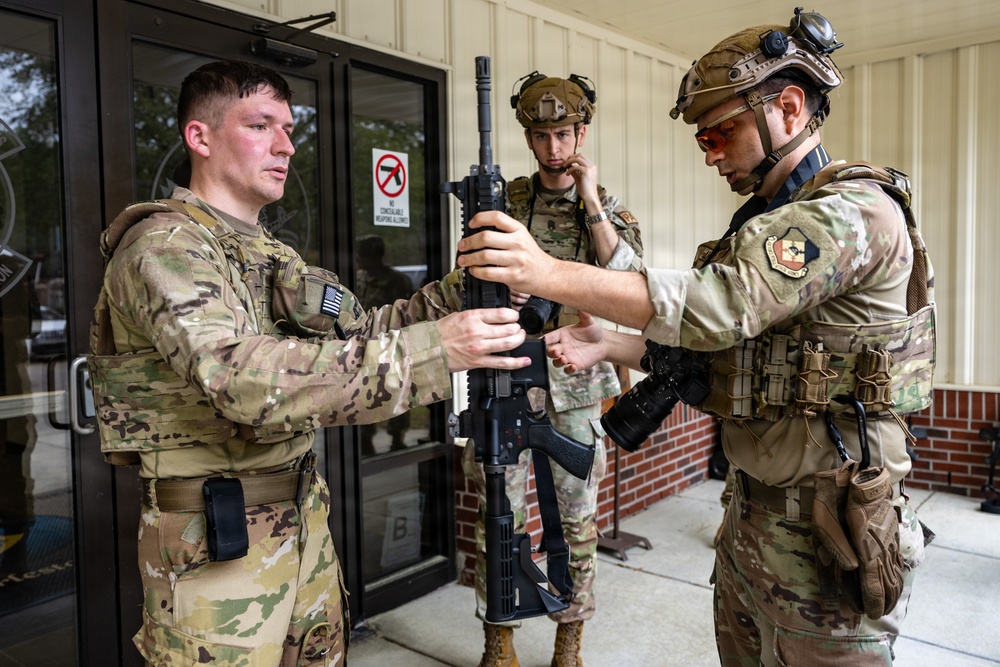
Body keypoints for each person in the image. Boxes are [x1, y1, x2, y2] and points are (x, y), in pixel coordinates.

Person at [457, 9, 936, 666]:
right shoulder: (767, 223)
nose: (709, 151)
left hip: (830, 530)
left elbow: (714, 306)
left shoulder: (850, 212)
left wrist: (546, 272)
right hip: (753, 514)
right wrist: (611, 346)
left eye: (722, 132)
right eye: (702, 139)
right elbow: (718, 357)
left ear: (789, 109)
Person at [87, 59, 530, 666]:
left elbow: (366, 330)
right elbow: (240, 377)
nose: (287, 145)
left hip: (302, 516)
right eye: (261, 125)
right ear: (201, 137)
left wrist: (472, 286)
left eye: (289, 128)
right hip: (216, 541)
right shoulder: (164, 247)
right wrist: (439, 350)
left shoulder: (271, 255)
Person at [462, 73, 643, 667]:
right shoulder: (505, 204)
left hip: (577, 379)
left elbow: (627, 280)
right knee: (499, 518)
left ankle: (570, 642)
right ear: (529, 139)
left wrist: (590, 198)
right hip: (508, 372)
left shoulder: (607, 209)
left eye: (563, 134)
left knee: (577, 523)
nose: (554, 148)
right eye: (541, 136)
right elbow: (467, 277)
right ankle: (500, 640)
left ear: (581, 132)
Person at [354, 234, 415, 455]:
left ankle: (397, 439)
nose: (358, 259)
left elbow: (405, 317)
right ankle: (365, 441)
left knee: (397, 392)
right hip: (363, 349)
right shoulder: (356, 278)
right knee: (365, 396)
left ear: (374, 255)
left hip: (392, 349)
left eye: (361, 254)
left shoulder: (397, 281)